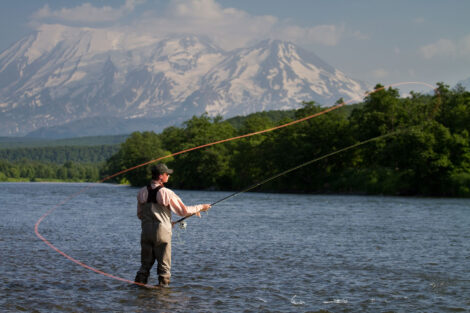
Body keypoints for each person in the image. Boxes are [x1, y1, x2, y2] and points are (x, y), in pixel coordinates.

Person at [134, 163, 211, 287]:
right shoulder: (167, 193)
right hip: (162, 233)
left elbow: (140, 215)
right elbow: (183, 211)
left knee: (144, 265)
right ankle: (163, 294)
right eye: (167, 174)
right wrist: (202, 207)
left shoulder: (141, 192)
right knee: (164, 267)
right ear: (160, 176)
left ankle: (138, 291)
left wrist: (164, 221)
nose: (168, 176)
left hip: (146, 232)